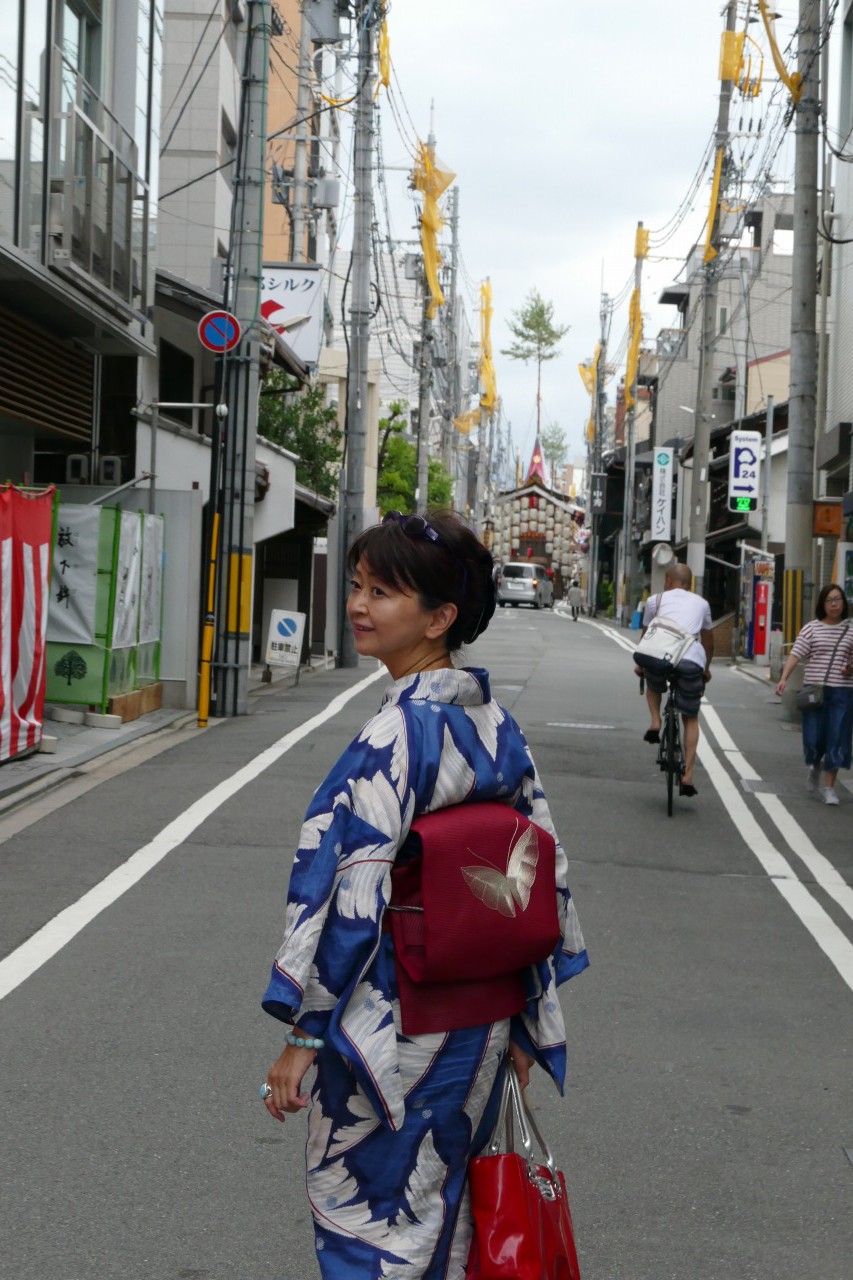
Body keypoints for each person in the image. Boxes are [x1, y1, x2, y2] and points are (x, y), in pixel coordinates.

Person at [260, 510, 589, 1280]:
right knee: (441, 1209)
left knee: (373, 1217)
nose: (358, 604)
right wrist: (528, 1016)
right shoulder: (495, 724)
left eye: (383, 592)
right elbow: (541, 877)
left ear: (440, 618)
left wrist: (306, 1034)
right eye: (358, 585)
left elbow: (345, 891)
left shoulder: (397, 733)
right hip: (481, 1022)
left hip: (399, 1020)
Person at [635, 562, 713, 797]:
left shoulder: (655, 601)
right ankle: (687, 775)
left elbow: (647, 635)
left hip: (661, 656)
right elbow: (708, 641)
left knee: (653, 681)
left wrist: (641, 665)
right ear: (690, 583)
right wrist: (706, 668)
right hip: (691, 660)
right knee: (690, 716)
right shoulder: (702, 604)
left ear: (668, 581)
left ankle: (655, 721)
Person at [774, 583, 853, 806]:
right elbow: (796, 654)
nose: (834, 604)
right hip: (815, 691)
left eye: (838, 599)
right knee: (813, 738)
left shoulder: (850, 630)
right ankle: (815, 766)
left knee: (837, 737)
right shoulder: (811, 628)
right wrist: (784, 678)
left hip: (842, 691)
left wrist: (849, 669)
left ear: (844, 602)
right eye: (830, 600)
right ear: (822, 604)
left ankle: (829, 788)